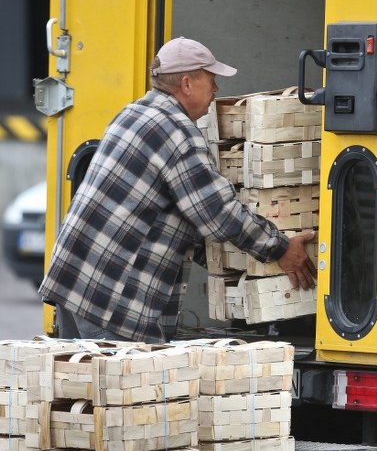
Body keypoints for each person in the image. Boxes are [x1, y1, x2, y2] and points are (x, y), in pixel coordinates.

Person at [38, 37, 317, 343]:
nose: (216, 90)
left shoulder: (134, 113)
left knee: (85, 387)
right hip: (110, 298)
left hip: (76, 283)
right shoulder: (176, 131)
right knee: (122, 387)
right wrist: (279, 248)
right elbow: (218, 213)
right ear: (187, 84)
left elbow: (176, 214)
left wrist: (230, 264)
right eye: (211, 80)